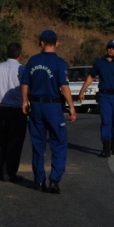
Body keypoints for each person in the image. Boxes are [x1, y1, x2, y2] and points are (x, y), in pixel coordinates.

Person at [20, 30, 76, 194]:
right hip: (52, 106)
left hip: (36, 105)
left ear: (41, 43)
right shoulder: (59, 63)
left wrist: (24, 101)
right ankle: (54, 179)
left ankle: (38, 181)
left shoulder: (32, 61)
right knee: (58, 142)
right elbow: (64, 87)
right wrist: (71, 106)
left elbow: (24, 83)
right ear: (57, 43)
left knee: (38, 144)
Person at [79, 39, 114, 157]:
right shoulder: (100, 62)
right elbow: (91, 77)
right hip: (104, 95)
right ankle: (106, 147)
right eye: (109, 47)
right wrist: (83, 90)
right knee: (106, 121)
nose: (111, 50)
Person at [0, 43, 27, 182]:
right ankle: (10, 172)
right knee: (15, 142)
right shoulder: (23, 69)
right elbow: (26, 88)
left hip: (0, 109)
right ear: (19, 55)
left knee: (1, 141)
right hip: (17, 109)